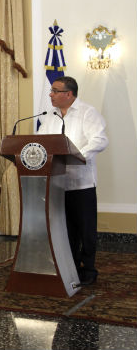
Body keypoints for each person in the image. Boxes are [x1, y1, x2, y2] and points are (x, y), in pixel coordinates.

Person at [38, 76, 108, 285]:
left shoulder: (87, 112)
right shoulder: (50, 116)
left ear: (68, 94)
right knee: (64, 229)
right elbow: (40, 140)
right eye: (51, 91)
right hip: (57, 184)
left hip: (81, 183)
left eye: (55, 91)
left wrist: (77, 155)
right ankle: (71, 268)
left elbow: (100, 139)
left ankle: (89, 270)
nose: (50, 94)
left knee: (85, 229)